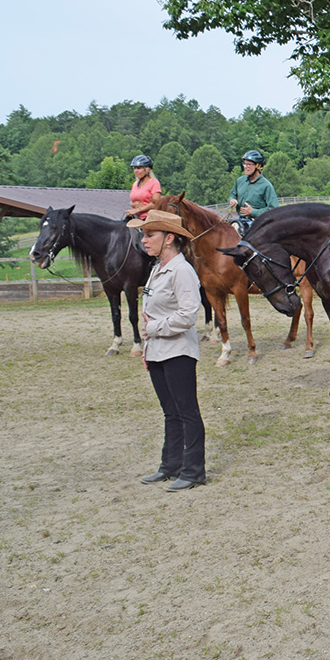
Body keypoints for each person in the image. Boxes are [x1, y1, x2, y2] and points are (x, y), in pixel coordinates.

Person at [128, 209, 207, 491]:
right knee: (170, 412)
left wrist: (153, 330)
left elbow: (188, 315)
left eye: (150, 235)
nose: (144, 240)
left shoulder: (182, 271)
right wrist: (149, 348)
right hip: (158, 351)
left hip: (178, 351)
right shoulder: (156, 270)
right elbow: (149, 309)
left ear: (170, 238)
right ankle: (170, 466)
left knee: (187, 411)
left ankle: (194, 470)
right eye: (143, 234)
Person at [227, 150, 279, 234]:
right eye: (245, 164)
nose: (245, 167)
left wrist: (252, 212)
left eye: (249, 164)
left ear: (258, 166)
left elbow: (274, 210)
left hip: (258, 224)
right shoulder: (240, 181)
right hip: (241, 221)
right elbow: (233, 194)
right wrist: (232, 200)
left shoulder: (266, 185)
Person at [123, 154, 161, 220]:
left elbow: (155, 203)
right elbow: (134, 201)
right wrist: (133, 205)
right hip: (135, 216)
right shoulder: (135, 184)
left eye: (139, 168)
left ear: (147, 170)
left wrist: (138, 210)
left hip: (149, 218)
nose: (136, 171)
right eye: (135, 168)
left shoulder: (154, 183)